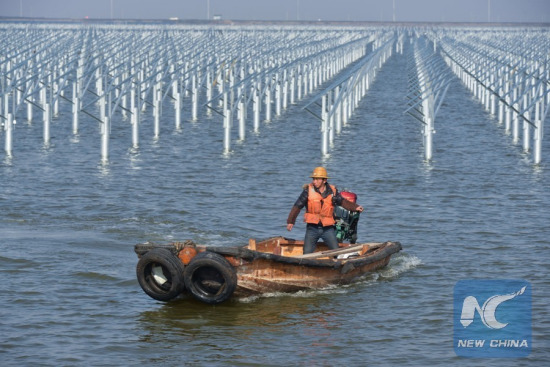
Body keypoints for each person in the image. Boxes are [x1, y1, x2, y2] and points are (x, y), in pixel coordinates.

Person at [286, 167, 363, 254]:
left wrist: (355, 207)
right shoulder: (308, 191)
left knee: (336, 251)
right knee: (306, 253)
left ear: (324, 180)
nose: (314, 181)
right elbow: (297, 206)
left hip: (328, 229)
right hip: (312, 228)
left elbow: (342, 201)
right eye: (313, 179)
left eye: (317, 179)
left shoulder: (332, 191)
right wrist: (291, 221)